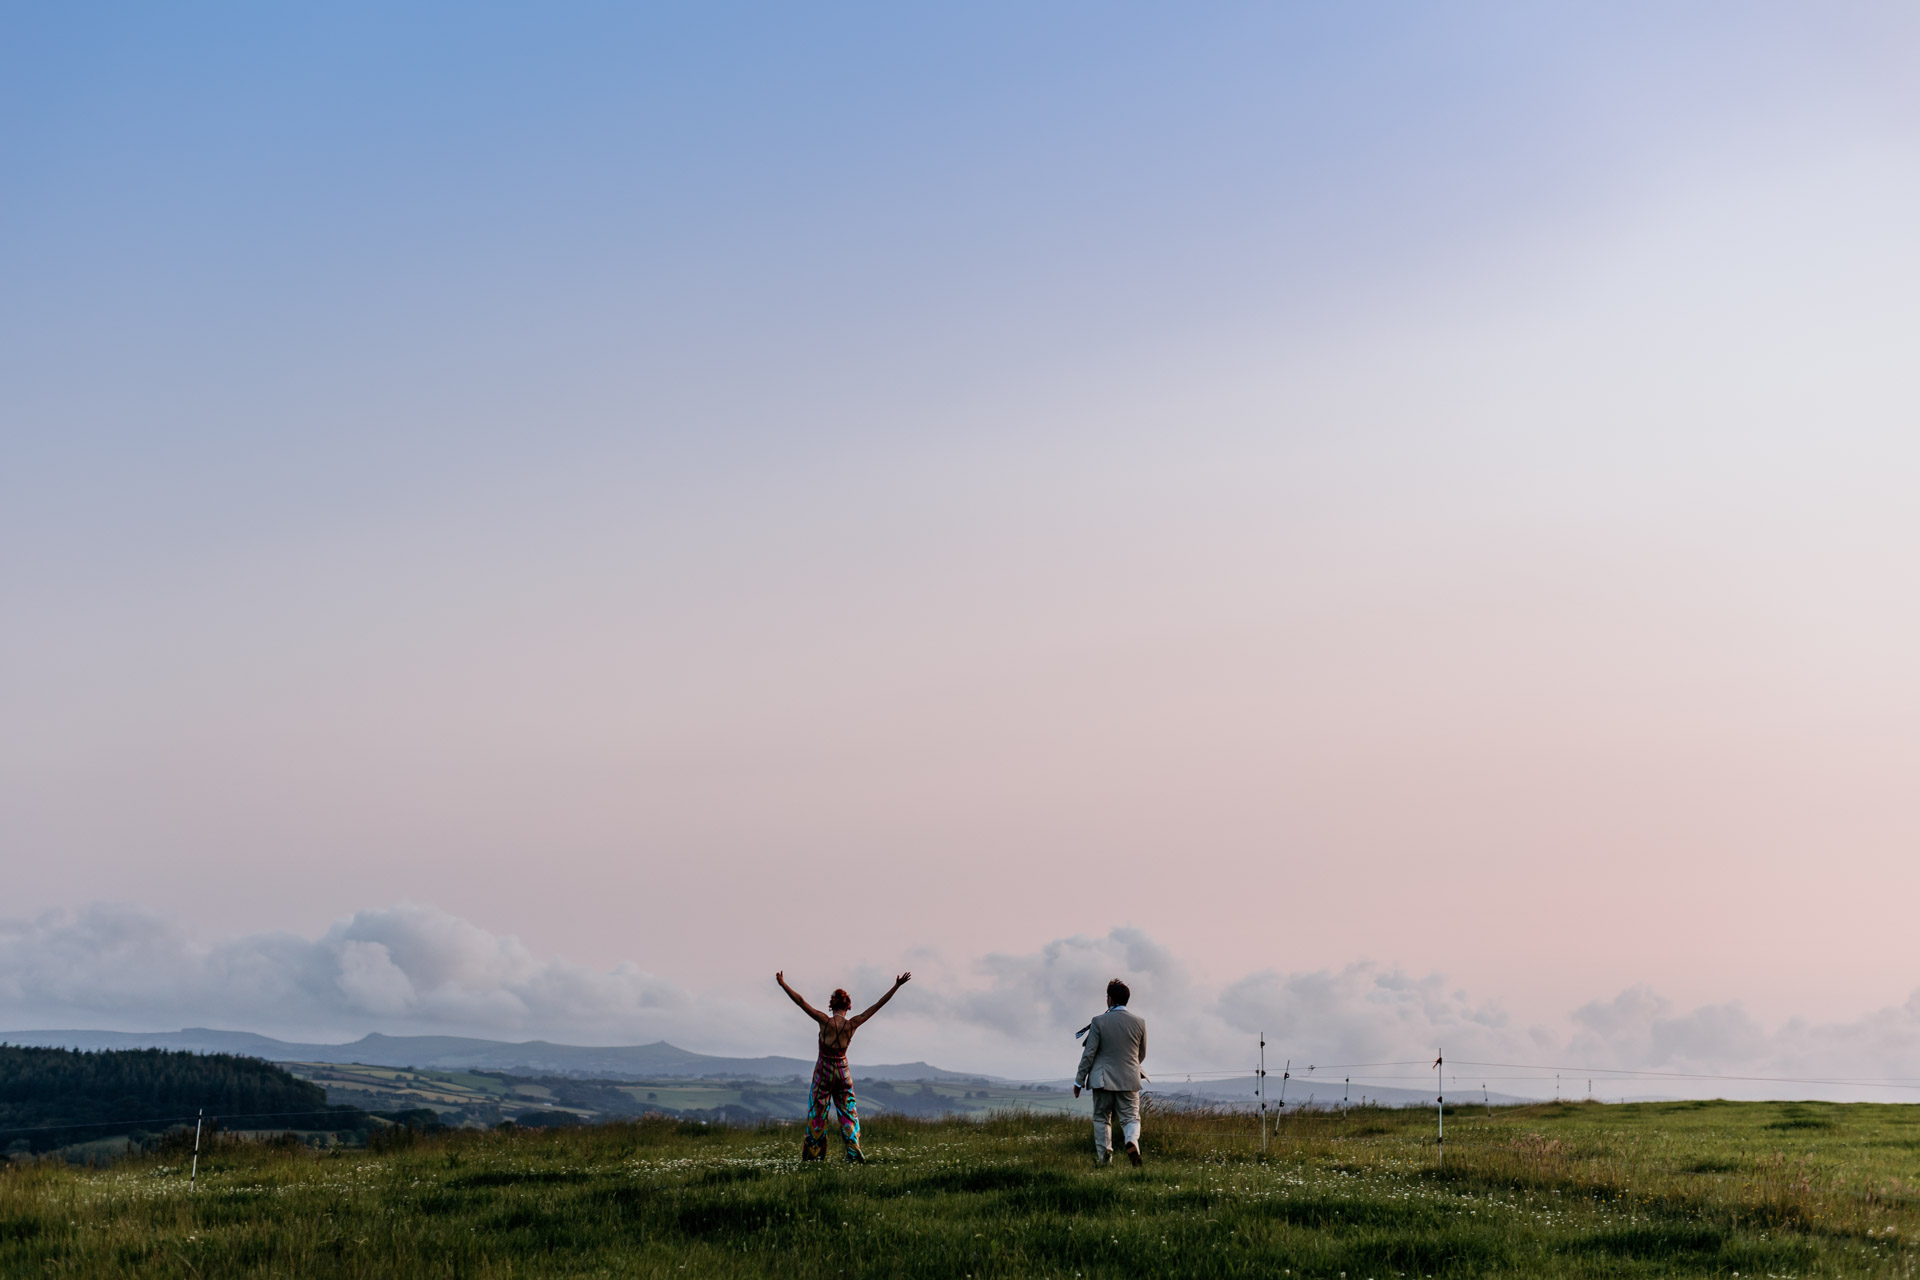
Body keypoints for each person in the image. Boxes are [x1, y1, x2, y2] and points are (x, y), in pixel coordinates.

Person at [776, 969, 910, 1162]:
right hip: (843, 1072)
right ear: (848, 1006)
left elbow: (801, 1002)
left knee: (818, 1111)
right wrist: (896, 986)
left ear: (832, 1006)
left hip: (824, 1072)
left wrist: (783, 984)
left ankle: (814, 1154)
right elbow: (877, 1005)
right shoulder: (853, 1024)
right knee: (849, 1113)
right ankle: (854, 1152)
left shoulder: (824, 1021)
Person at [1074, 977, 1147, 1165]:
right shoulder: (1139, 1022)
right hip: (1130, 1078)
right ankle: (1132, 1141)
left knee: (1101, 1119)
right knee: (1131, 1117)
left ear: (1110, 999)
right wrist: (1129, 1067)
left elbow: (1089, 1054)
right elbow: (1141, 1054)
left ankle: (1105, 1159)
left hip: (1102, 1080)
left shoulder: (1098, 1021)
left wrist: (1078, 1081)